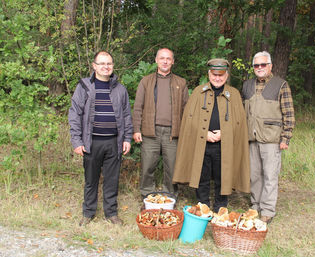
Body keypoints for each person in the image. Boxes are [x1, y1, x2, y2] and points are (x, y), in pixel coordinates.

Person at [173, 58, 250, 212]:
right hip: (202, 143)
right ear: (209, 74)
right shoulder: (198, 92)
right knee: (202, 176)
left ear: (226, 76)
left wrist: (225, 133)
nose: (217, 78)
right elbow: (189, 119)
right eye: (214, 74)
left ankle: (221, 207)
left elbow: (240, 121)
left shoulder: (233, 94)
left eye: (221, 75)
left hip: (224, 144)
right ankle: (203, 206)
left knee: (223, 176)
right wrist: (204, 133)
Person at [68, 51, 133, 226]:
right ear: (94, 66)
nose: (106, 66)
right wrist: (77, 141)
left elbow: (127, 115)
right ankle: (88, 213)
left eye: (109, 63)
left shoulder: (120, 89)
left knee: (112, 180)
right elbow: (75, 114)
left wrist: (127, 138)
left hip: (114, 142)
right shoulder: (84, 87)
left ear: (113, 66)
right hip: (91, 142)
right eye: (102, 63)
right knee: (91, 180)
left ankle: (111, 213)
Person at [241, 51, 295, 224]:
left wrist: (285, 138)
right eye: (256, 65)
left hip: (272, 139)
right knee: (254, 175)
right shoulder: (247, 85)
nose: (259, 68)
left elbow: (289, 114)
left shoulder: (281, 85)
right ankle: (255, 206)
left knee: (270, 176)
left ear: (270, 66)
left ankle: (268, 210)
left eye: (263, 64)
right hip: (251, 138)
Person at [132, 48, 188, 198]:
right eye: (162, 58)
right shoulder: (146, 81)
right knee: (147, 166)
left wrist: (185, 133)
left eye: (168, 59)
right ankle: (147, 196)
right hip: (151, 131)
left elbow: (186, 110)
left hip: (173, 134)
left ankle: (170, 197)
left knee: (172, 168)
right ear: (156, 60)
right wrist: (136, 129)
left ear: (173, 62)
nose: (165, 61)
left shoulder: (180, 83)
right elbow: (138, 107)